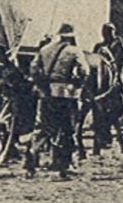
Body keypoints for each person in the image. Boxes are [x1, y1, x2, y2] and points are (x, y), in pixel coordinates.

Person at [26, 23, 88, 177]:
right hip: (66, 95)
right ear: (72, 36)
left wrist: (42, 85)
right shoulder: (74, 51)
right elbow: (84, 70)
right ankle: (65, 167)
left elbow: (33, 69)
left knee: (43, 128)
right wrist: (78, 84)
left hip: (47, 94)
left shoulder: (45, 49)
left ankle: (31, 159)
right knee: (67, 130)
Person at [91, 24, 123, 155]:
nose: (107, 34)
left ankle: (106, 137)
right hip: (103, 85)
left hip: (114, 83)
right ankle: (104, 140)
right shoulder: (99, 47)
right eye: (105, 32)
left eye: (110, 32)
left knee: (116, 112)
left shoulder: (118, 47)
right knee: (101, 113)